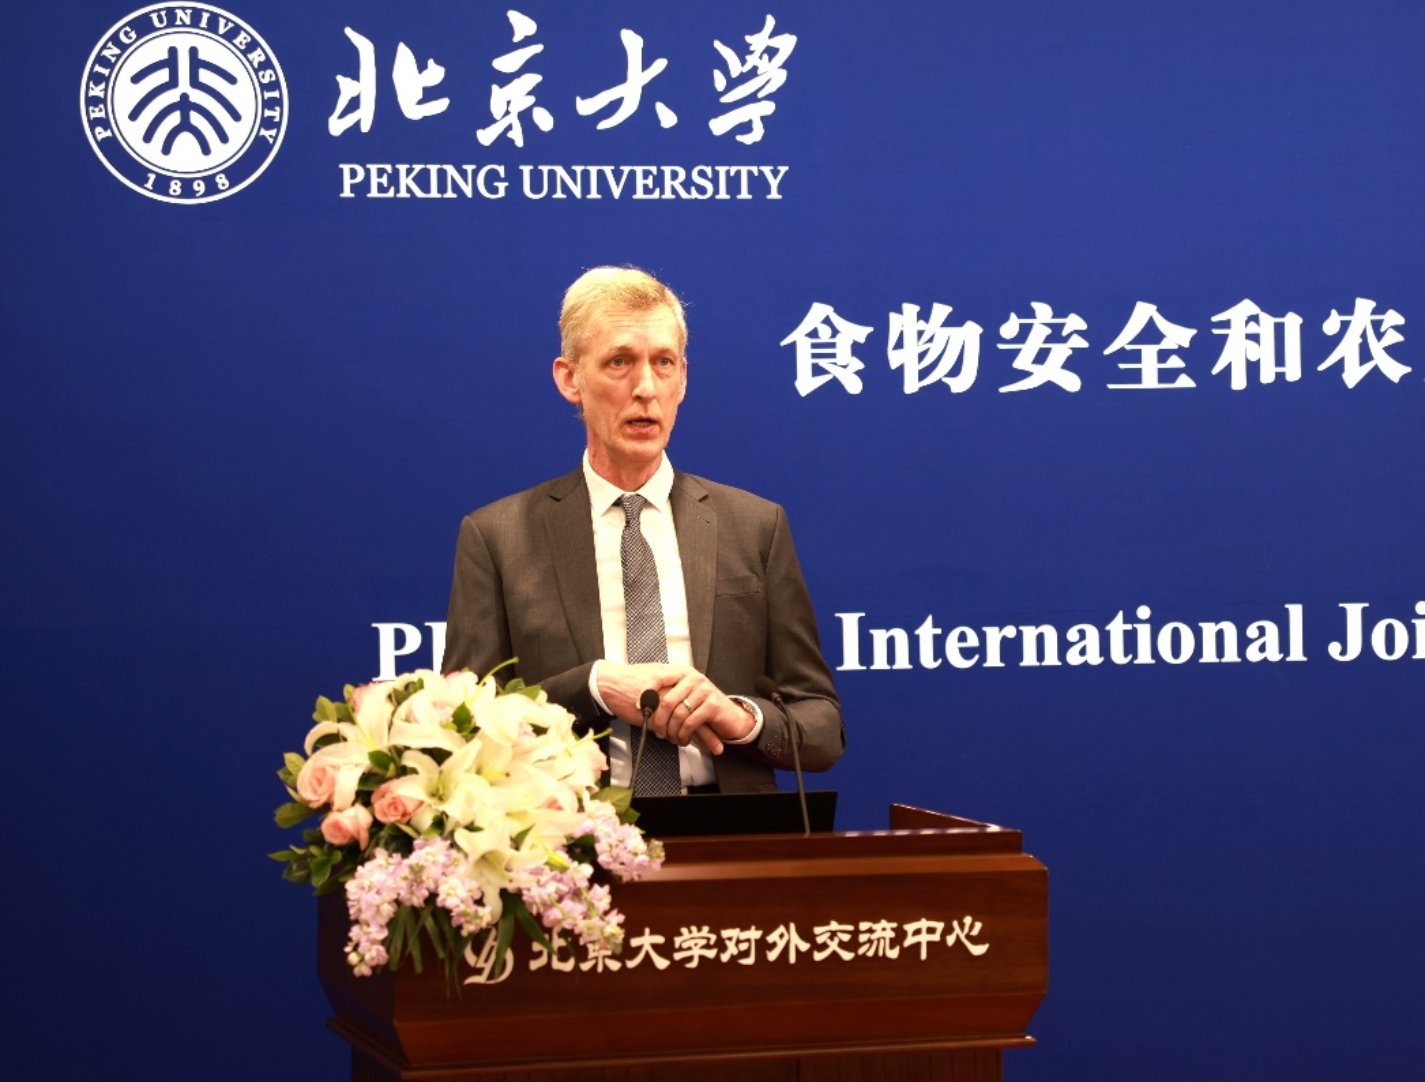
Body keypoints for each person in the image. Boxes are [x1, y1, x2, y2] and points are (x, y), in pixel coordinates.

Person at [441, 266, 844, 794]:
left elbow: (822, 727)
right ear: (570, 379)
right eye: (619, 362)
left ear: (684, 378)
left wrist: (739, 715)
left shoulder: (754, 526)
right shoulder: (499, 537)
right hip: (574, 832)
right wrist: (594, 687)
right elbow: (462, 724)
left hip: (731, 828)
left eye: (663, 363)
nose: (646, 389)